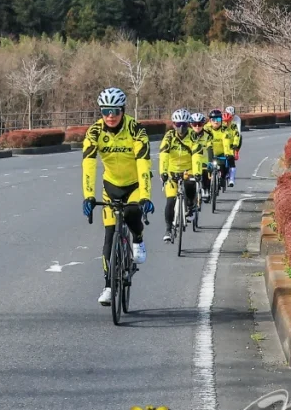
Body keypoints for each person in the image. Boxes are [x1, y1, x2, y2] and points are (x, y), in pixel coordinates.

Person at [82, 87, 154, 306]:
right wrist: (88, 196)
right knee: (109, 235)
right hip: (110, 186)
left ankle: (138, 240)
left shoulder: (136, 130)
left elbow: (143, 162)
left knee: (132, 213)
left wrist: (146, 195)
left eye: (115, 110)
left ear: (123, 110)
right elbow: (89, 164)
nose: (110, 116)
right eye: (105, 111)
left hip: (134, 185)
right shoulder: (94, 132)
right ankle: (108, 286)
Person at [158, 108, 205, 243]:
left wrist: (197, 173)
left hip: (188, 169)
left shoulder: (193, 137)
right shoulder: (169, 137)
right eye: (178, 125)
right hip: (172, 171)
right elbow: (164, 155)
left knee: (190, 187)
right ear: (173, 125)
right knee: (170, 201)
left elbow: (197, 156)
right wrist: (164, 172)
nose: (181, 128)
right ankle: (168, 229)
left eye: (184, 125)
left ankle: (191, 206)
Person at [205, 109, 234, 190]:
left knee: (223, 168)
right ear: (210, 120)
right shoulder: (206, 129)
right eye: (213, 120)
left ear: (221, 120)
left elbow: (226, 142)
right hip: (210, 153)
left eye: (218, 119)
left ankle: (222, 178)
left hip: (221, 153)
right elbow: (206, 143)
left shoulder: (225, 129)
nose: (216, 122)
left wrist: (227, 153)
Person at [189, 112, 214, 202]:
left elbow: (210, 148)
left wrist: (210, 161)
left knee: (205, 172)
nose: (197, 126)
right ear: (191, 124)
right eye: (194, 124)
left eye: (199, 124)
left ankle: (205, 189)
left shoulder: (208, 135)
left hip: (204, 159)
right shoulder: (188, 135)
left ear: (203, 124)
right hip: (191, 160)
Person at [223, 106, 243, 187]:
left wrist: (235, 144)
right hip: (226, 138)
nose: (231, 116)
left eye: (232, 115)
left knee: (240, 136)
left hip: (233, 135)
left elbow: (238, 131)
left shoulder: (237, 119)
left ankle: (237, 152)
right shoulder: (223, 118)